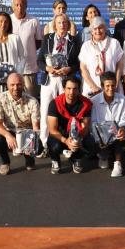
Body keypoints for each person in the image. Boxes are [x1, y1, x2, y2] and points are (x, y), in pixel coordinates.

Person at [37, 13, 80, 151]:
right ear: (55, 25)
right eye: (59, 22)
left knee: (65, 112)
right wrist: (47, 68)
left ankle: (66, 142)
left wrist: (69, 69)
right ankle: (44, 144)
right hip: (49, 80)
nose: (62, 25)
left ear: (68, 25)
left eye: (65, 22)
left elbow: (78, 63)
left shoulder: (74, 40)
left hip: (65, 81)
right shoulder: (47, 38)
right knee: (45, 111)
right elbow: (39, 61)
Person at [0, 73, 40, 175]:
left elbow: (35, 127)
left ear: (23, 85)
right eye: (12, 85)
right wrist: (8, 136)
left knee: (39, 146)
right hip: (8, 131)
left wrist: (33, 143)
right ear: (7, 85)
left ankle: (30, 159)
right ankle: (5, 162)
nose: (15, 88)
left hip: (26, 133)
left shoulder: (33, 102)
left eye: (18, 84)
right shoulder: (0, 99)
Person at [47, 76, 95, 174]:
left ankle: (77, 158)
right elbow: (52, 130)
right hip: (61, 135)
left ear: (79, 90)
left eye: (74, 89)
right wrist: (66, 141)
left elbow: (85, 128)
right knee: (53, 144)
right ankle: (55, 160)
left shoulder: (85, 104)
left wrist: (78, 139)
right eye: (68, 88)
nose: (71, 92)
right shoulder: (55, 103)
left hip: (77, 134)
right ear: (64, 88)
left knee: (90, 142)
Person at [90, 72, 125, 177]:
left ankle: (118, 163)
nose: (110, 88)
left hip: (115, 133)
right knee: (103, 157)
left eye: (113, 85)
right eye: (107, 86)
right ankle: (103, 156)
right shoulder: (94, 101)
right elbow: (93, 123)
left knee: (120, 135)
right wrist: (100, 138)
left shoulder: (122, 99)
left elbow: (123, 119)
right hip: (101, 135)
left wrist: (122, 129)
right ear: (102, 86)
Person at [79, 17, 124, 97]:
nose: (98, 31)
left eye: (100, 28)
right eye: (94, 29)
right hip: (92, 89)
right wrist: (93, 86)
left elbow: (120, 64)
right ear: (91, 31)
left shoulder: (114, 43)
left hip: (112, 88)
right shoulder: (86, 46)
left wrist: (116, 83)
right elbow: (83, 68)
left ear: (105, 28)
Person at [10, 0, 41, 98]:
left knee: (30, 100)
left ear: (26, 6)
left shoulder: (34, 21)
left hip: (29, 69)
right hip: (12, 69)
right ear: (12, 7)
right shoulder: (8, 21)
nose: (19, 7)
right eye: (17, 5)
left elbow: (38, 43)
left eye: (22, 5)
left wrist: (27, 51)